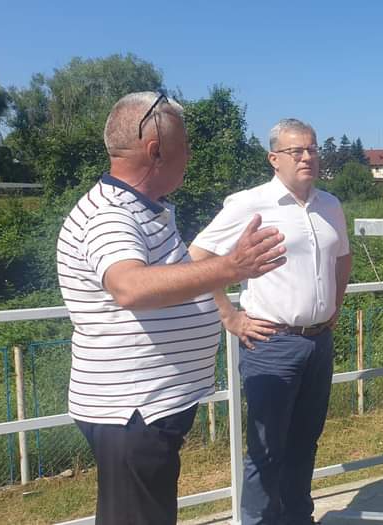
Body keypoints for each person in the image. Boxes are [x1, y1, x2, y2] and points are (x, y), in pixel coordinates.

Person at [57, 91, 285, 525]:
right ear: (155, 150)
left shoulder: (144, 210)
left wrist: (221, 299)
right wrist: (231, 267)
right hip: (133, 410)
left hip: (148, 408)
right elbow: (129, 287)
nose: (190, 155)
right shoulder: (110, 214)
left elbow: (174, 282)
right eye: (185, 145)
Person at [189, 118, 352, 525]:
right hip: (271, 344)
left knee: (305, 442)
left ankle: (298, 517)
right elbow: (198, 257)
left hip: (318, 342)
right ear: (274, 158)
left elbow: (342, 257)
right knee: (266, 449)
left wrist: (335, 305)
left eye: (312, 149)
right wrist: (229, 315)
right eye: (296, 151)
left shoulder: (330, 205)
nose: (307, 157)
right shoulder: (251, 204)